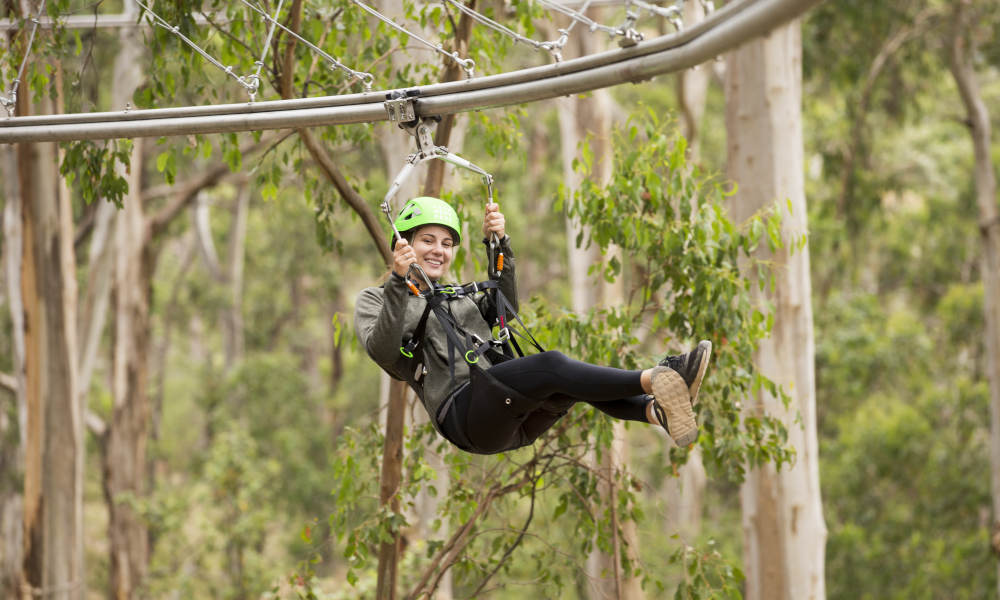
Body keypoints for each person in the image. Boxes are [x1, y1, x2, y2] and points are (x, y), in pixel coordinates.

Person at [355, 196, 712, 455]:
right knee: (553, 365)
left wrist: (498, 244)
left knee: (565, 383)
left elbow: (503, 315)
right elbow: (383, 351)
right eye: (427, 241)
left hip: (510, 415)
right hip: (465, 415)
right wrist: (400, 282)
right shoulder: (376, 299)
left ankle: (651, 411)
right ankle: (660, 378)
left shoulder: (455, 296)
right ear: (402, 245)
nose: (439, 251)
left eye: (447, 244)